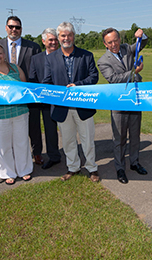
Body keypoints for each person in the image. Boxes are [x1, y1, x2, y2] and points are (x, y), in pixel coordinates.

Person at [42, 22, 100, 182]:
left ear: (73, 36)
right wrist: (58, 93)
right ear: (59, 37)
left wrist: (78, 86)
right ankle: (73, 167)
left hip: (83, 106)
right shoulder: (51, 58)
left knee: (88, 140)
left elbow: (94, 77)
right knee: (68, 141)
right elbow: (47, 81)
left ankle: (91, 168)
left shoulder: (86, 55)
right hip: (62, 108)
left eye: (69, 35)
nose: (66, 38)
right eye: (63, 35)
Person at [97, 27, 149, 184]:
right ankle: (120, 168)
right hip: (118, 103)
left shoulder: (127, 48)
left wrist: (142, 34)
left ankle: (134, 163)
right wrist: (134, 72)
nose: (114, 44)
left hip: (134, 100)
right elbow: (113, 79)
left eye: (116, 40)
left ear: (120, 39)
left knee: (135, 135)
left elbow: (142, 42)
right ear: (105, 44)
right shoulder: (103, 61)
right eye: (110, 42)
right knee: (119, 138)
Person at [0, 43, 33, 185]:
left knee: (21, 142)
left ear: (4, 55)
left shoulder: (15, 69)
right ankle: (7, 172)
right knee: (2, 145)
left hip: (20, 111)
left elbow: (26, 88)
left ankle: (24, 170)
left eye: (0, 53)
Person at [0, 16, 43, 165]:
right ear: (6, 28)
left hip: (28, 93)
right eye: (11, 26)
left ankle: (37, 153)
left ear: (21, 29)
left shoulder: (33, 47)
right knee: (9, 128)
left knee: (33, 125)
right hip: (4, 95)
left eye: (17, 27)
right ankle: (12, 156)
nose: (14, 30)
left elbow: (40, 69)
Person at [28, 28, 62, 170]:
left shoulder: (63, 56)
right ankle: (37, 154)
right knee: (35, 128)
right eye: (50, 40)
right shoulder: (36, 59)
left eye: (55, 39)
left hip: (58, 99)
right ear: (43, 41)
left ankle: (54, 156)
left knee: (51, 130)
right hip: (39, 100)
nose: (53, 42)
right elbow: (32, 78)